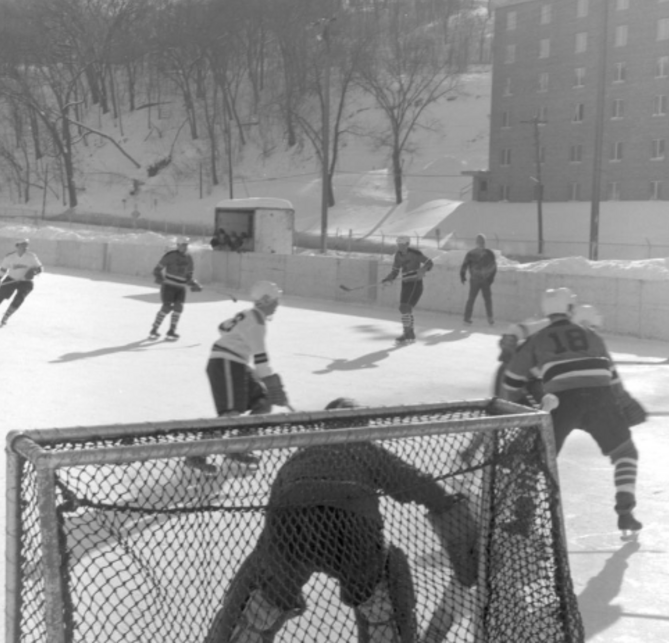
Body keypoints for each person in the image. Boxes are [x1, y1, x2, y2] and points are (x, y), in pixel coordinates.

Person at [203, 398, 476, 643]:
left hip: (291, 526)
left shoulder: (301, 453)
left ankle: (252, 621)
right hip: (352, 529)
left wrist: (272, 567)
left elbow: (273, 514)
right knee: (381, 595)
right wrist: (454, 519)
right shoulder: (363, 447)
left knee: (262, 599)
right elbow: (417, 484)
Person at [501, 287, 643, 537]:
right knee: (625, 453)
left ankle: (523, 519)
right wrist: (625, 403)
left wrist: (514, 408)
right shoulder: (591, 335)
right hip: (601, 398)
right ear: (570, 309)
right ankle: (625, 512)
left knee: (534, 458)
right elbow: (612, 377)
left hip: (560, 401)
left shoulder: (538, 338)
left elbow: (511, 381)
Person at [186, 281, 290, 474]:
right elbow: (260, 358)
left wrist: (270, 386)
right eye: (275, 300)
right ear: (266, 300)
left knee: (263, 401)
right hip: (226, 363)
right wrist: (273, 384)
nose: (277, 304)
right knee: (230, 414)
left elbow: (223, 327)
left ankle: (237, 447)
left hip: (236, 363)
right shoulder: (257, 322)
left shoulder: (248, 314)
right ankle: (195, 455)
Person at [381, 236, 433, 344]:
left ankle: (407, 333)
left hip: (415, 283)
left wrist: (423, 270)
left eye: (402, 245)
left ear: (407, 244)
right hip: (405, 283)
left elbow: (429, 263)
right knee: (405, 309)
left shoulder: (415, 254)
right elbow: (395, 271)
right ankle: (409, 333)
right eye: (398, 245)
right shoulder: (398, 255)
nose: (399, 247)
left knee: (404, 308)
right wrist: (388, 279)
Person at [149, 236, 202, 340]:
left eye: (186, 245)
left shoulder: (189, 258)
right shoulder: (170, 256)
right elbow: (157, 269)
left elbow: (188, 276)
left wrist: (194, 284)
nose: (184, 247)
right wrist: (159, 278)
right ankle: (154, 328)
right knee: (167, 307)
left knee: (179, 307)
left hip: (180, 288)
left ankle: (172, 330)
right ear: (178, 245)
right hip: (169, 286)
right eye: (182, 245)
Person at [459, 233, 497, 326]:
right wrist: (462, 275)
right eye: (480, 241)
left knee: (480, 299)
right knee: (477, 299)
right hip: (478, 280)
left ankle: (487, 318)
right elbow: (465, 265)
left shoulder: (486, 253)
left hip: (481, 280)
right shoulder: (476, 253)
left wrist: (490, 279)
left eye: (482, 241)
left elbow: (493, 267)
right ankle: (469, 318)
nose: (481, 243)